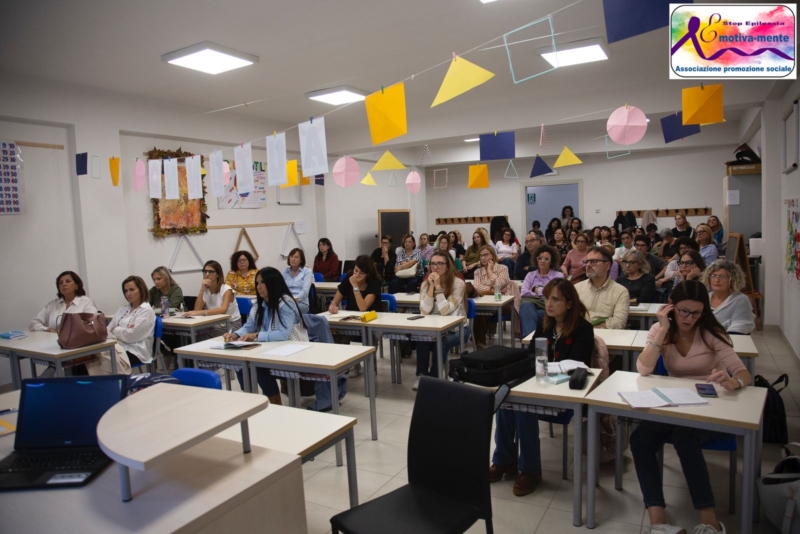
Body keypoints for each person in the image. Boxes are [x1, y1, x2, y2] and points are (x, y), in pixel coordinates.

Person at [632, 280, 751, 534]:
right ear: (671, 306)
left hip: (710, 405)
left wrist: (734, 381)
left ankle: (710, 521)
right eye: (683, 311)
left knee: (684, 436)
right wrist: (663, 330)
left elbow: (743, 372)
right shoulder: (661, 330)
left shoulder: (711, 332)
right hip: (675, 404)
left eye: (697, 313)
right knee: (640, 438)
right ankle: (658, 522)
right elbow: (643, 368)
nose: (689, 318)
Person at [490, 278, 594, 496]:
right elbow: (531, 357)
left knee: (523, 408)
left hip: (564, 394)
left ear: (569, 303)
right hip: (541, 385)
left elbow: (578, 364)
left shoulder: (583, 329)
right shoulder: (544, 324)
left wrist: (546, 367)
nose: (548, 304)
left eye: (555, 299)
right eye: (547, 298)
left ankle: (531, 471)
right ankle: (504, 460)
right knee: (506, 401)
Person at [223, 267, 302, 406]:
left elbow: (284, 334)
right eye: (257, 283)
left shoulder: (286, 303)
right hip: (268, 349)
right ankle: (251, 402)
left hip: (289, 351)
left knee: (259, 368)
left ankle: (276, 404)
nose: (259, 287)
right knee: (241, 365)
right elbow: (249, 325)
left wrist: (256, 335)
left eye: (262, 282)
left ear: (273, 283)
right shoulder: (259, 304)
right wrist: (235, 334)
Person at [413, 251, 469, 390]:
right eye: (433, 264)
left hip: (457, 328)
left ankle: (434, 378)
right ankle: (421, 376)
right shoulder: (425, 284)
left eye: (440, 263)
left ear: (447, 266)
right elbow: (425, 310)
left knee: (441, 343)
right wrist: (431, 286)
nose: (435, 267)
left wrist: (438, 287)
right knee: (421, 339)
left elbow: (445, 310)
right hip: (434, 327)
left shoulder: (458, 284)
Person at [29, 271, 98, 377]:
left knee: (60, 361)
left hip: (78, 345)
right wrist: (47, 329)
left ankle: (50, 372)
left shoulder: (86, 302)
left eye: (68, 281)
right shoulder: (53, 304)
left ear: (77, 285)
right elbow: (34, 323)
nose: (64, 284)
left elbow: (91, 323)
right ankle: (52, 372)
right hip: (55, 345)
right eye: (60, 283)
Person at [328, 254, 384, 378]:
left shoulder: (375, 281)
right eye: (356, 270)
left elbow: (363, 307)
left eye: (361, 273)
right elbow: (334, 301)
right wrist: (332, 307)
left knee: (369, 335)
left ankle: (368, 363)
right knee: (337, 334)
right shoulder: (348, 278)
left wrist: (355, 287)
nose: (357, 275)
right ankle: (351, 363)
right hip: (351, 320)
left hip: (371, 321)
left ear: (368, 274)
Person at [100, 276, 155, 375]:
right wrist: (123, 331)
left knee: (103, 360)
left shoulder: (146, 310)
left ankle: (114, 382)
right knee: (94, 358)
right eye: (126, 291)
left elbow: (131, 336)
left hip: (136, 350)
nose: (128, 293)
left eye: (132, 290)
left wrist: (115, 330)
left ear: (141, 290)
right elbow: (107, 330)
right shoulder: (122, 309)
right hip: (118, 345)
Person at [471, 245, 520, 348]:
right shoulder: (477, 272)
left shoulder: (503, 268)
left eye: (486, 255)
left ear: (492, 256)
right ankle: (479, 344)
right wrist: (493, 290)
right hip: (486, 303)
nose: (483, 258)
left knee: (482, 312)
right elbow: (478, 288)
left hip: (504, 303)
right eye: (481, 256)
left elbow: (499, 284)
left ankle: (478, 342)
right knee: (480, 311)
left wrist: (490, 272)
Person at [574, 246, 630, 329]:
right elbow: (569, 317)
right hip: (579, 334)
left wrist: (591, 329)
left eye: (593, 261)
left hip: (607, 335)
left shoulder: (621, 292)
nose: (588, 265)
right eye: (587, 261)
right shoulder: (576, 288)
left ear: (607, 266)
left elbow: (619, 323)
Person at [519, 245, 564, 337]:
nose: (542, 261)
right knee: (527, 307)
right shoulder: (530, 275)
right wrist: (543, 292)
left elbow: (555, 294)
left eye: (546, 259)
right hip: (532, 305)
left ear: (551, 261)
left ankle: (529, 342)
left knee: (527, 313)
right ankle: (531, 340)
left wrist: (536, 290)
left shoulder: (558, 275)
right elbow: (523, 292)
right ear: (536, 260)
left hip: (549, 306)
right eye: (540, 258)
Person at [700, 259, 755, 334]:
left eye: (722, 277)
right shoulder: (704, 297)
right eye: (713, 276)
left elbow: (741, 326)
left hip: (728, 339)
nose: (716, 280)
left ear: (732, 280)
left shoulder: (740, 299)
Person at [184, 260, 242, 331]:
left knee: (202, 332)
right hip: (214, 323)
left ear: (218, 275)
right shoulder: (205, 290)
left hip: (231, 323)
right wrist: (202, 289)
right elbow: (197, 309)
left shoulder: (226, 289)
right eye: (205, 271)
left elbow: (223, 310)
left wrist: (202, 312)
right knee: (196, 331)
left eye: (211, 272)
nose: (207, 274)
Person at [282, 248, 314, 314]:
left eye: (296, 257)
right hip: (287, 301)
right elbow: (281, 288)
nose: (293, 259)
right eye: (291, 256)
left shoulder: (307, 272)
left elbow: (305, 291)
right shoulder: (285, 272)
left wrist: (293, 300)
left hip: (301, 303)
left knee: (288, 309)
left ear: (301, 260)